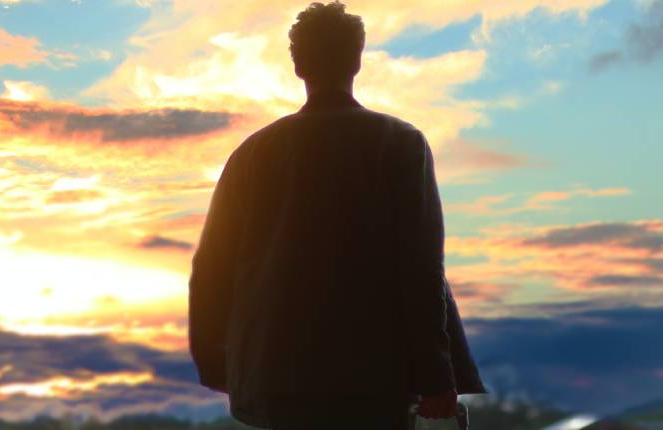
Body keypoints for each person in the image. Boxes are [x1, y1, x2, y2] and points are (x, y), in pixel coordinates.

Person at [187, 2, 487, 429]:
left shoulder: (252, 153)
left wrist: (217, 363)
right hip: (374, 377)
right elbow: (420, 267)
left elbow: (211, 269)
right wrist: (437, 375)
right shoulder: (398, 142)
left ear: (298, 66)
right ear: (357, 60)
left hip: (278, 377)